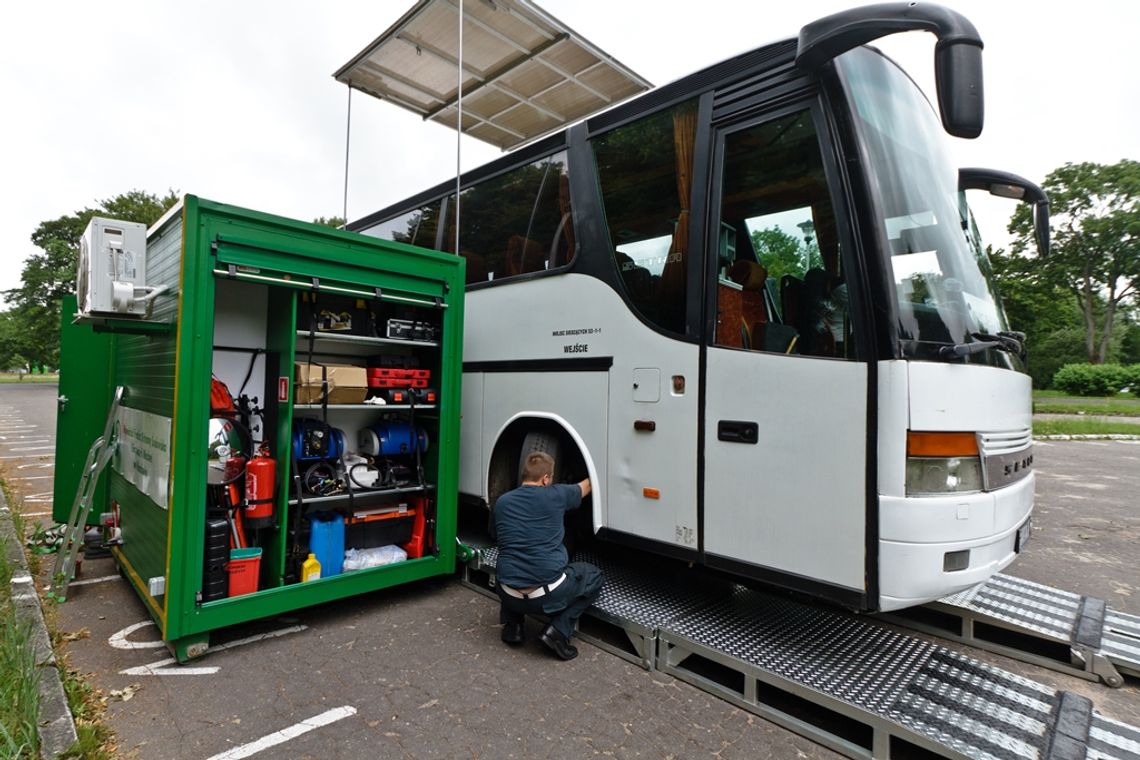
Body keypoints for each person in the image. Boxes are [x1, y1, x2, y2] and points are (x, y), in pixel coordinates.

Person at [493, 451, 603, 661]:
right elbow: (587, 486)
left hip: (507, 592)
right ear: (545, 479)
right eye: (550, 478)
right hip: (545, 596)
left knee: (512, 558)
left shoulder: (502, 502)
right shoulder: (557, 495)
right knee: (594, 576)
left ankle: (513, 627)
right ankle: (557, 632)